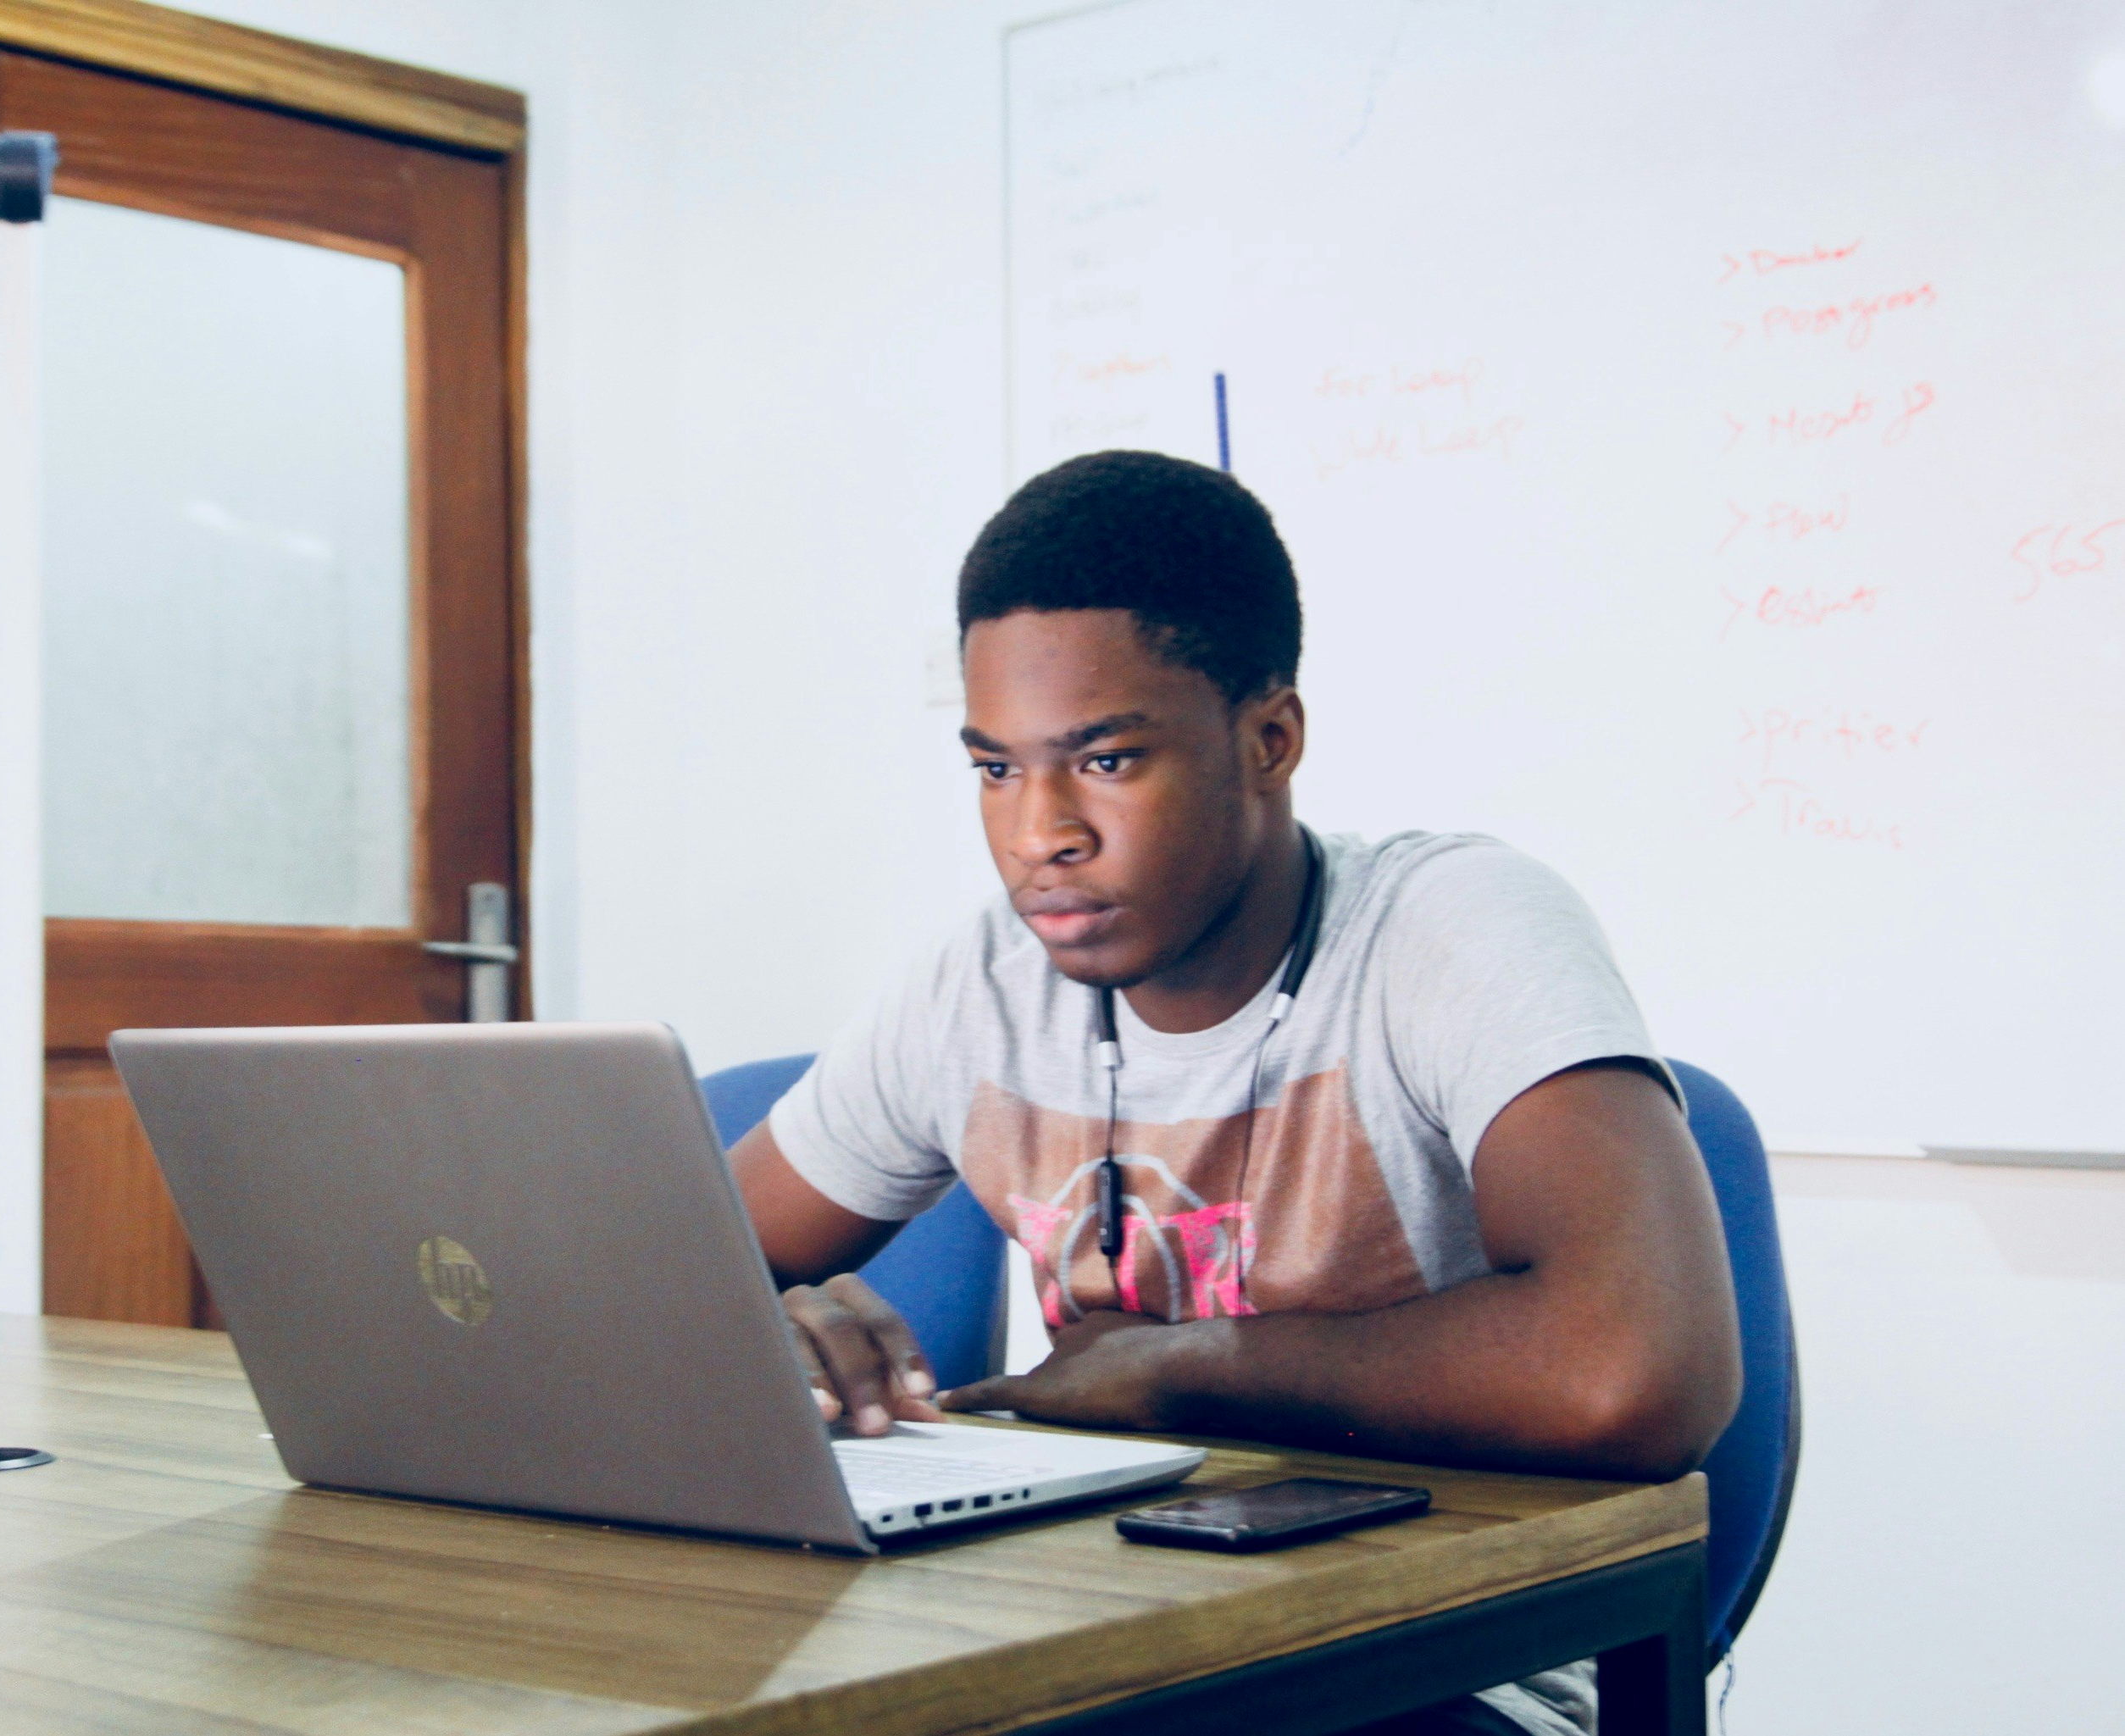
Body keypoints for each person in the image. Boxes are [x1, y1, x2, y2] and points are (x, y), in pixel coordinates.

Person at [727, 449, 1741, 1736]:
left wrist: (1180, 1366)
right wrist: (765, 1337)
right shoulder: (978, 982)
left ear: (1269, 740)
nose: (1041, 832)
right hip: (1099, 1634)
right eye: (995, 770)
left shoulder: (1453, 928)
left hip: (1446, 1659)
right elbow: (661, 1275)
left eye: (1103, 762)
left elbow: (1634, 1373)